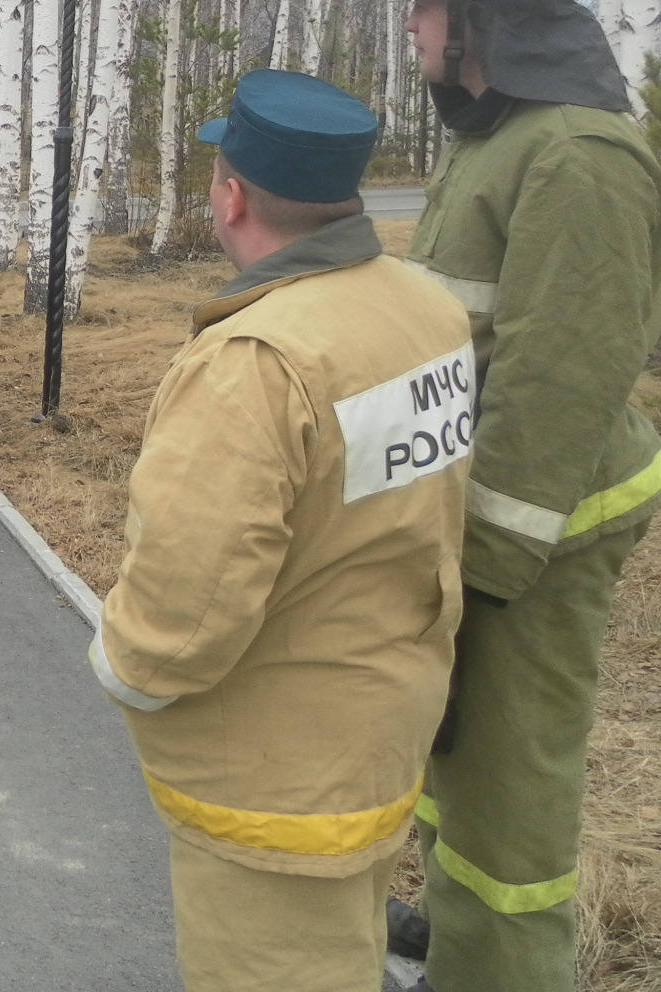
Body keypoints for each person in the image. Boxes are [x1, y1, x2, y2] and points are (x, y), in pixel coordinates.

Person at [93, 68, 473, 992]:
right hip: (384, 725)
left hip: (273, 776)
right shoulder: (425, 305)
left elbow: (189, 601)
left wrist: (124, 669)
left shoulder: (255, 359)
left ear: (231, 196)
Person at [374, 0, 661, 992]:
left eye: (420, 10)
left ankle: (497, 963)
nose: (408, 31)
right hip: (475, 506)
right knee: (451, 755)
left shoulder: (577, 157)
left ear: (476, 20)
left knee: (509, 795)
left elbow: (553, 384)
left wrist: (480, 573)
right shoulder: (497, 135)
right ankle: (453, 938)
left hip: (540, 523)